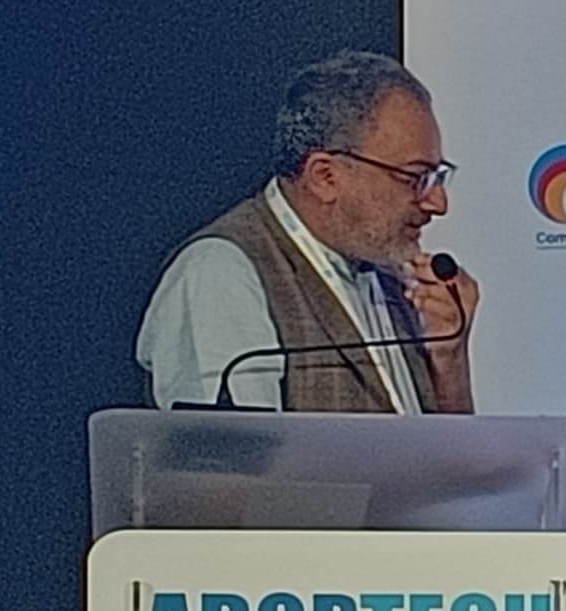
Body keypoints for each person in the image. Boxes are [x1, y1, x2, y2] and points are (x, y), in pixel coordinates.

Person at [139, 49, 480, 411]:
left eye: (437, 177)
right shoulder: (222, 273)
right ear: (325, 177)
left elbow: (438, 447)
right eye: (415, 178)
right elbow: (232, 446)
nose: (438, 203)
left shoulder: (394, 278)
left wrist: (449, 361)